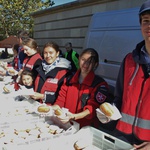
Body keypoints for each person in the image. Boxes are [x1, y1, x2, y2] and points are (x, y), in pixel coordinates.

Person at [110, 1, 150, 149]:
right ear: (140, 26)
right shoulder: (129, 60)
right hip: (122, 137)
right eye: (146, 21)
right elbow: (119, 98)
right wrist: (109, 115)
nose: (149, 25)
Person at [52, 48, 111, 128]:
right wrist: (51, 109)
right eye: (83, 60)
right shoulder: (69, 80)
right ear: (79, 59)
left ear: (95, 64)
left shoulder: (99, 84)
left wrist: (74, 116)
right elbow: (60, 100)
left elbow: (92, 108)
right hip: (67, 123)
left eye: (90, 62)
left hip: (86, 127)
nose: (85, 64)